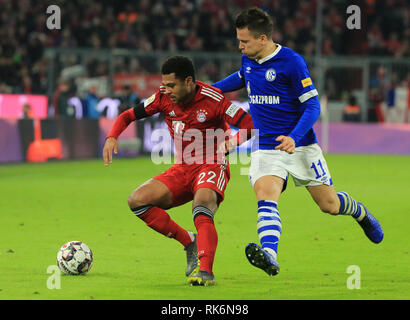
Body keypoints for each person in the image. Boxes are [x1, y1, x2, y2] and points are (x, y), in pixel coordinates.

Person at [212, 7, 383, 277]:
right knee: (266, 197)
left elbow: (313, 106)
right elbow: (239, 78)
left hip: (300, 144)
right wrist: (207, 90)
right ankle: (270, 254)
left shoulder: (291, 62)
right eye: (239, 41)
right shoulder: (248, 61)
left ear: (263, 39)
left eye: (244, 41)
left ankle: (361, 213)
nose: (240, 46)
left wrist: (293, 136)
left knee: (330, 205)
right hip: (266, 144)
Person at [103, 55, 254, 286]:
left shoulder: (214, 99)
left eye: (172, 85)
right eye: (165, 85)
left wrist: (231, 143)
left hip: (212, 164)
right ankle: (188, 241)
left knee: (201, 205)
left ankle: (205, 271)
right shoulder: (162, 97)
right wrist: (112, 136)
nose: (167, 90)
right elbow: (127, 115)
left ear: (189, 81)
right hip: (182, 169)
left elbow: (248, 125)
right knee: (137, 201)